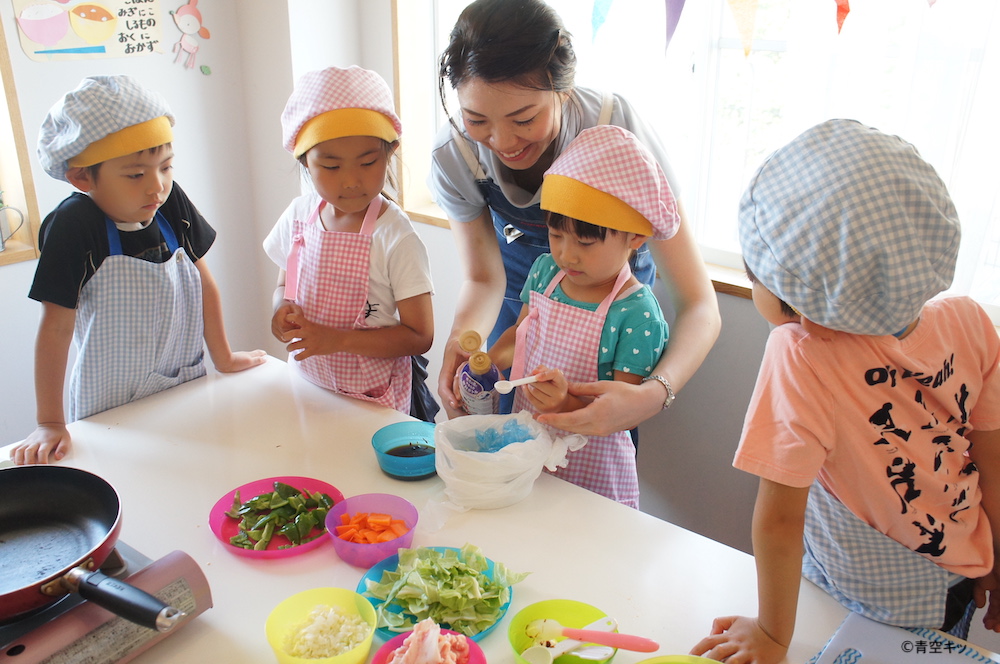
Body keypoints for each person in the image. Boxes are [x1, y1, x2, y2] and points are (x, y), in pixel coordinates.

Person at [690, 119, 1000, 664]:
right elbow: (991, 453)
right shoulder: (971, 319)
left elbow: (782, 517)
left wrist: (771, 633)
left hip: (866, 592)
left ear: (795, 292)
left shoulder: (801, 354)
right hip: (960, 574)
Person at [430, 0, 720, 425]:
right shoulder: (455, 153)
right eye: (476, 119)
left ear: (564, 90)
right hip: (522, 310)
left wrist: (653, 395)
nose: (502, 141)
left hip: (611, 337)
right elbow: (483, 277)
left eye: (523, 118)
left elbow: (698, 302)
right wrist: (462, 341)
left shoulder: (615, 128)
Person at [12, 75, 266, 466]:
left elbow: (202, 281)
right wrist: (49, 421)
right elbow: (56, 327)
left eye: (165, 167)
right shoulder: (74, 224)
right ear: (81, 176)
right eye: (135, 174)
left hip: (183, 387)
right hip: (109, 409)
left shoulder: (169, 201)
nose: (156, 187)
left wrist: (224, 356)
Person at [487, 125, 673, 507]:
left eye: (586, 242)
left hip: (594, 471)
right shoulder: (543, 272)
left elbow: (623, 413)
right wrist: (483, 367)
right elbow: (519, 336)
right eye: (556, 236)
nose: (567, 256)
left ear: (635, 237)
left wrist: (563, 405)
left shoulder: (637, 314)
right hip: (529, 449)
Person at [264, 66, 437, 421]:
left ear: (390, 152)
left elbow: (420, 335)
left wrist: (337, 340)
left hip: (371, 400)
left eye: (368, 162)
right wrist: (281, 310)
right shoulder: (299, 216)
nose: (351, 181)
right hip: (307, 384)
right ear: (304, 162)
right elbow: (285, 285)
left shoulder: (396, 237)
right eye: (330, 166)